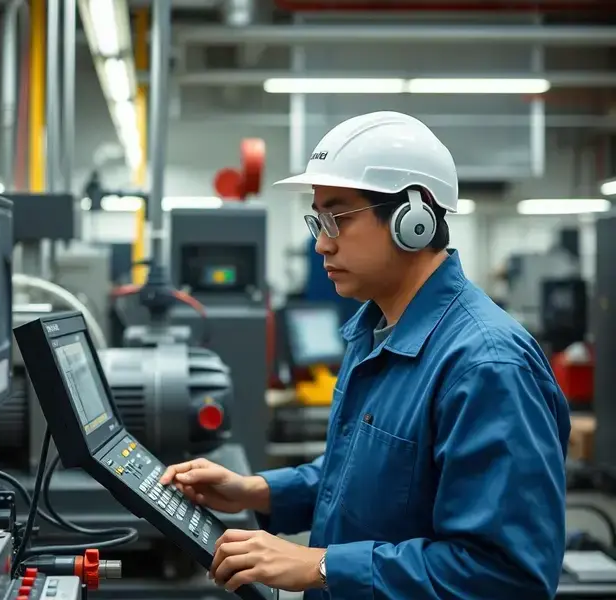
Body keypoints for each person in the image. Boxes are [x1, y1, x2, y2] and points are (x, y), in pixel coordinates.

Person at [160, 111, 571, 599]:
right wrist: (259, 492)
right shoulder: (373, 333)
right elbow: (366, 476)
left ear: (412, 221)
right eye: (317, 219)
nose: (320, 242)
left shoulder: (487, 366)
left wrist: (324, 566)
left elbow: (508, 576)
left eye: (337, 218)